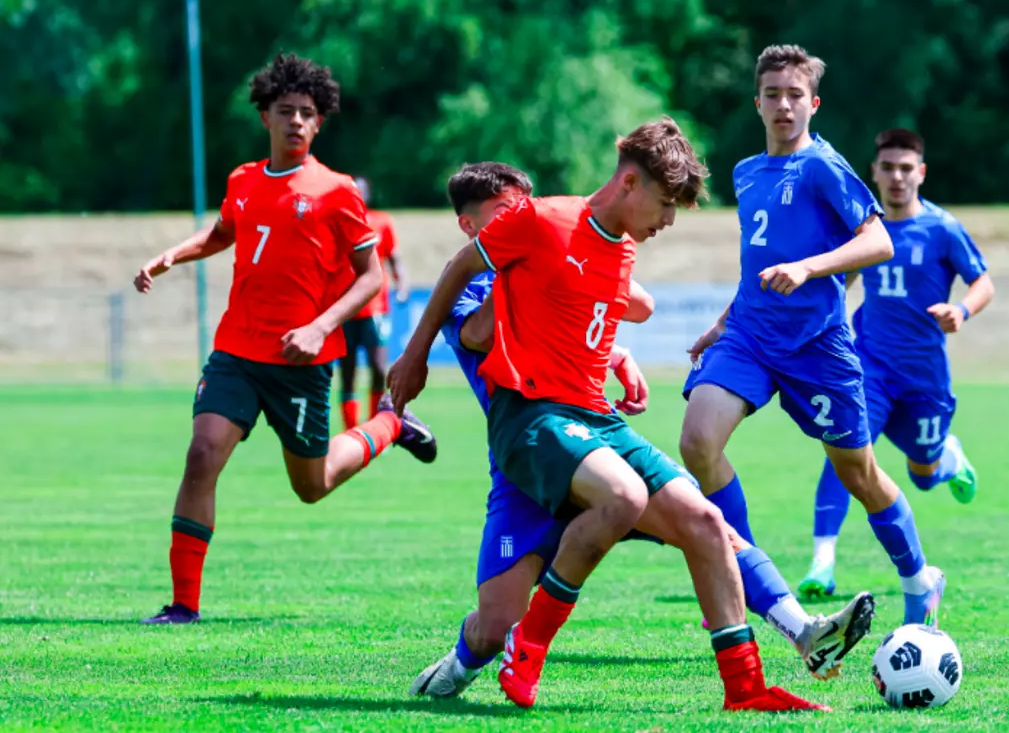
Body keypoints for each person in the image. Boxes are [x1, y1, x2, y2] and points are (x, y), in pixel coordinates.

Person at [389, 120, 842, 713]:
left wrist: (619, 357)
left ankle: (746, 689)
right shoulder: (539, 220)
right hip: (532, 421)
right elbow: (458, 273)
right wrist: (415, 355)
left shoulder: (621, 248)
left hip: (593, 425)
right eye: (665, 203)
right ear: (629, 182)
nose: (670, 221)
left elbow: (586, 311)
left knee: (705, 522)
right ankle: (522, 646)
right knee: (517, 601)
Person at [132, 53, 435, 624]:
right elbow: (224, 232)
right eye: (286, 111)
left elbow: (370, 274)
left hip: (302, 360)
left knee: (312, 485)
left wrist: (322, 324)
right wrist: (174, 253)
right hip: (236, 353)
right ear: (265, 117)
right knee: (202, 455)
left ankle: (389, 423)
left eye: (307, 113)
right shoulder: (243, 180)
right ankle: (183, 606)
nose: (296, 121)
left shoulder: (337, 191)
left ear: (319, 123)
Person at [680, 45, 947, 629]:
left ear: (813, 104)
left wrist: (810, 267)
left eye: (795, 95)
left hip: (818, 348)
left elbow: (878, 243)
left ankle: (918, 579)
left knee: (859, 475)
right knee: (698, 442)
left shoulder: (824, 166)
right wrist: (723, 323)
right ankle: (749, 578)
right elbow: (759, 265)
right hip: (750, 337)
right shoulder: (747, 173)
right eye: (772, 95)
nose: (783, 105)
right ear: (757, 103)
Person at [798, 128, 995, 598]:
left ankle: (948, 456)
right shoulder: (865, 230)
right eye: (888, 168)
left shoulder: (942, 229)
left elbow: (983, 282)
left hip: (925, 379)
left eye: (906, 168)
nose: (897, 177)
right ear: (875, 172)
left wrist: (961, 310)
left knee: (922, 476)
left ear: (921, 173)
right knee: (844, 453)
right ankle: (822, 563)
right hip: (870, 369)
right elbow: (841, 282)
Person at [337, 176, 425, 439]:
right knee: (348, 370)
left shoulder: (382, 222)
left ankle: (374, 426)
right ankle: (351, 432)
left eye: (361, 191)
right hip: (345, 309)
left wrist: (402, 284)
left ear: (367, 194)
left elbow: (394, 258)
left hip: (375, 309)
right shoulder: (338, 223)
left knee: (377, 368)